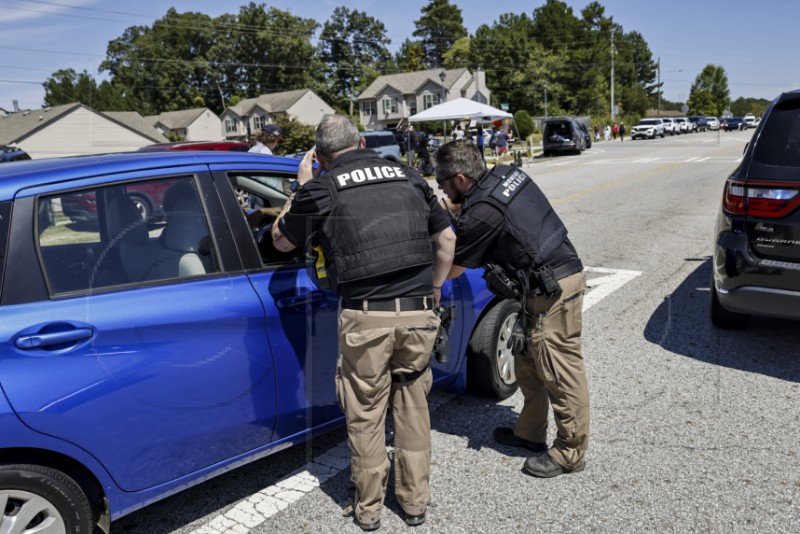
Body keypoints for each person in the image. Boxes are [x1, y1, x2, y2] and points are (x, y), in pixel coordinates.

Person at [271, 115, 456, 530]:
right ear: (362, 142)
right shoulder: (408, 176)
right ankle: (414, 503)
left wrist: (301, 186)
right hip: (418, 310)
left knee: (366, 412)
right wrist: (437, 288)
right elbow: (446, 240)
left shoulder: (320, 188)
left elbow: (281, 241)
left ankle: (369, 509)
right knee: (412, 406)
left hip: (366, 316)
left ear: (319, 156)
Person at [434, 138, 589, 479]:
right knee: (528, 362)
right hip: (542, 284)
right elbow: (498, 215)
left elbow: (454, 269)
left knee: (560, 371)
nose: (441, 188)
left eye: (442, 182)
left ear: (460, 180)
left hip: (555, 290)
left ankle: (570, 451)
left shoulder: (481, 214)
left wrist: (442, 226)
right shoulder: (504, 174)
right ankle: (530, 433)